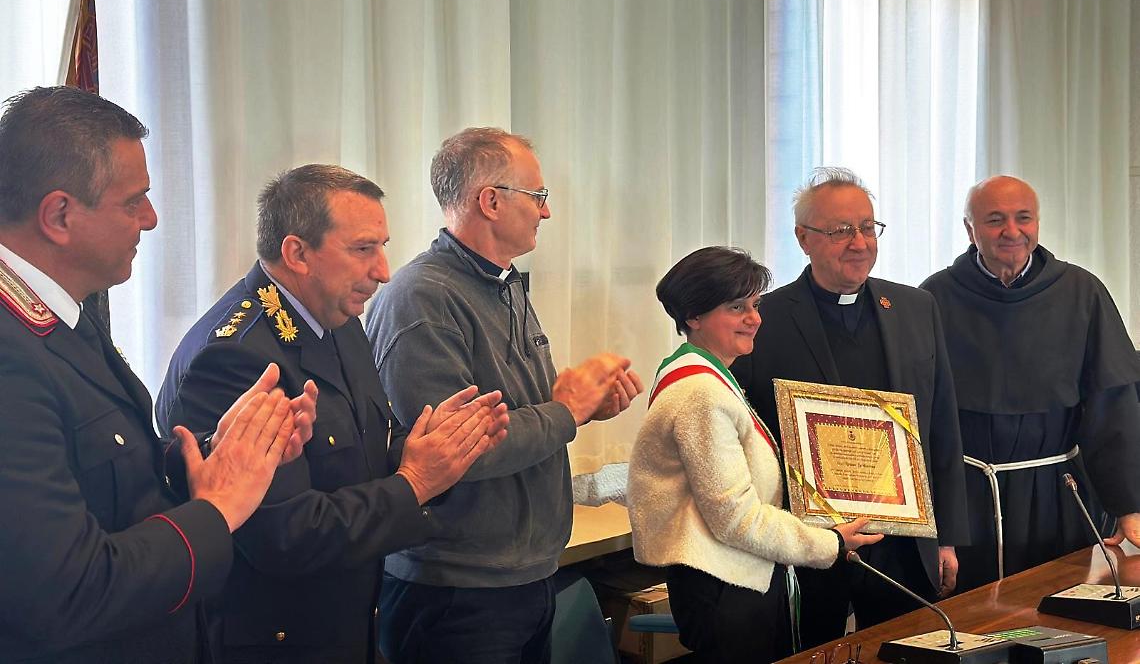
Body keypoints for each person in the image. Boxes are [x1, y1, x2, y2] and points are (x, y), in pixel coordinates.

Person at [0, 86, 315, 663]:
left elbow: (107, 472)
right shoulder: (11, 350)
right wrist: (217, 508)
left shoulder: (63, 311)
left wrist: (228, 453)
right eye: (133, 201)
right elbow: (66, 593)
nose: (151, 219)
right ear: (60, 215)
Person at [157, 164, 509, 663]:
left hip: (347, 623)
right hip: (277, 641)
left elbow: (358, 450)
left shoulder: (335, 318)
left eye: (383, 246)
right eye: (363, 249)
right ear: (297, 253)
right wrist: (413, 482)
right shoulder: (237, 357)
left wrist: (425, 450)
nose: (383, 270)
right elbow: (286, 535)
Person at [366, 127, 643, 663]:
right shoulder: (422, 298)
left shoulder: (504, 282)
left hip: (524, 572)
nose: (546, 212)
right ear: (490, 201)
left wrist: (585, 406)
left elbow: (520, 411)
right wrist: (566, 411)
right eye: (537, 197)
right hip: (457, 591)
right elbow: (465, 449)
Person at [730, 167, 968, 650]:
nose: (859, 242)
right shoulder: (763, 320)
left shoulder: (916, 309)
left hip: (904, 543)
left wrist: (946, 536)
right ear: (803, 238)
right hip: (808, 546)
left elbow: (942, 426)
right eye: (841, 231)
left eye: (867, 227)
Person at [628, 246, 883, 663]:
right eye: (736, 307)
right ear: (693, 316)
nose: (755, 319)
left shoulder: (704, 375)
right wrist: (829, 544)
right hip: (726, 587)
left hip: (737, 579)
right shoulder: (701, 393)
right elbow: (736, 518)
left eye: (755, 304)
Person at [920, 175, 1140, 590]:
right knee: (973, 619)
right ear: (970, 229)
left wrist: (1128, 504)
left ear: (1038, 223)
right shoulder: (934, 298)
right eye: (995, 220)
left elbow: (1114, 406)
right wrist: (936, 528)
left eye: (1024, 218)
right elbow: (920, 420)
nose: (1012, 232)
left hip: (1059, 493)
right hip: (968, 497)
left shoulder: (1082, 292)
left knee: (1064, 618)